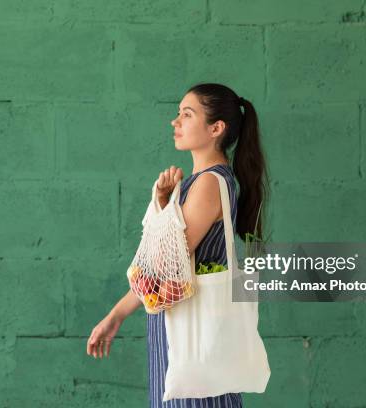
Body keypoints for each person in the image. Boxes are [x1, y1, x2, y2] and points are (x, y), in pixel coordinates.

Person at [86, 82, 270, 407]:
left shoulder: (209, 184)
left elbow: (163, 261)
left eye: (187, 114)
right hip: (181, 330)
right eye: (178, 114)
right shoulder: (196, 183)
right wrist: (116, 316)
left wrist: (161, 207)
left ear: (216, 128)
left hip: (189, 331)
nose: (176, 122)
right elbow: (163, 267)